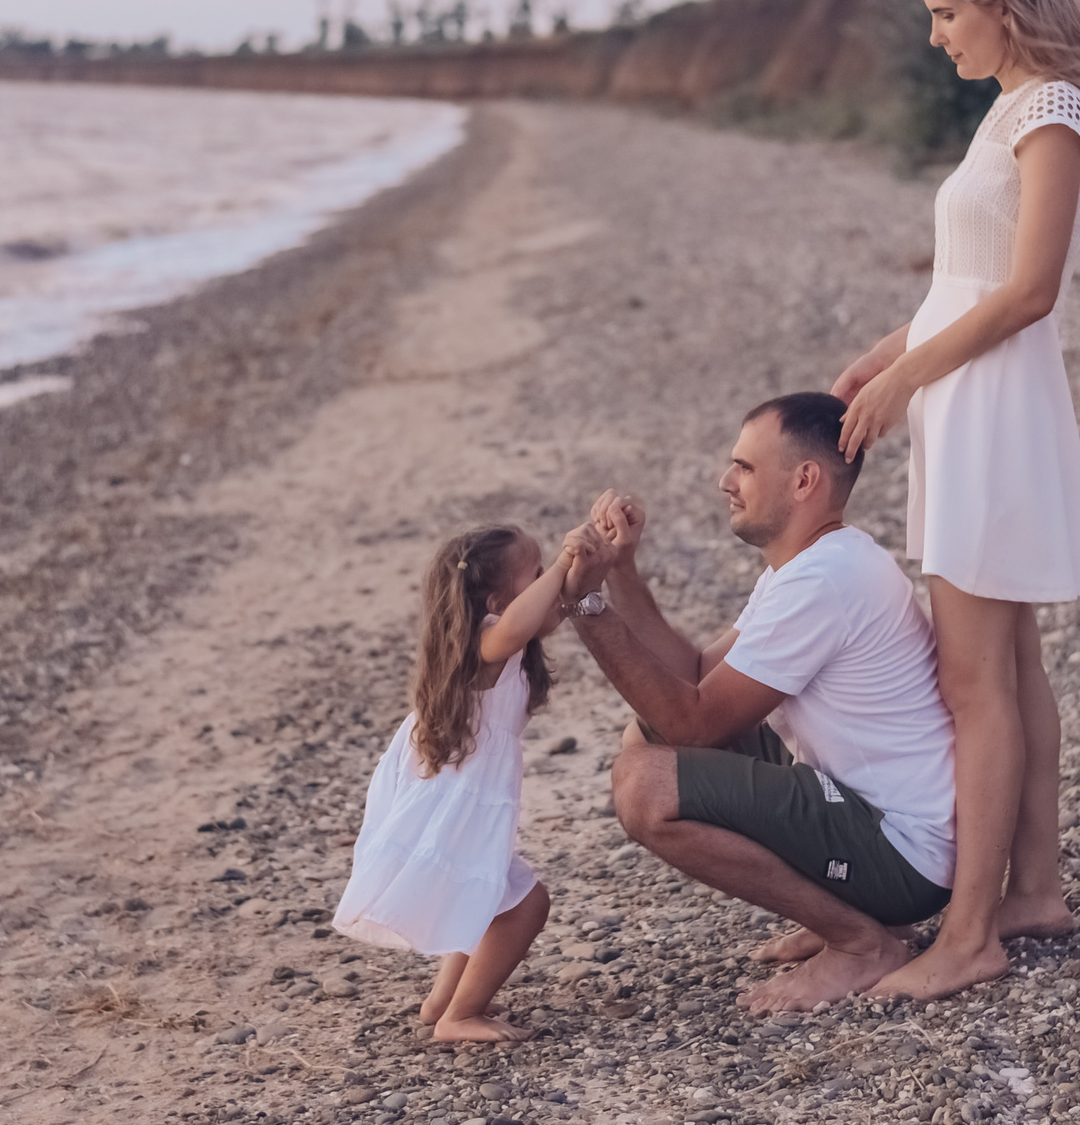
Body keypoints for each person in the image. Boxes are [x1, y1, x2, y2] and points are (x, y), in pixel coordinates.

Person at [831, 0, 1080, 1002]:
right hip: (968, 399)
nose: (936, 36)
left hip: (993, 408)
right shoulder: (1011, 110)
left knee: (974, 677)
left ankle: (969, 933)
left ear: (1000, 1)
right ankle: (1032, 887)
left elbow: (1028, 292)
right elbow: (958, 288)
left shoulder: (1053, 111)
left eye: (944, 12)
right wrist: (877, 358)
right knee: (1008, 663)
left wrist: (906, 379)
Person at [557, 394, 957, 1011]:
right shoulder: (809, 565)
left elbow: (691, 716)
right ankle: (849, 916)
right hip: (876, 812)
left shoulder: (822, 581)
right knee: (650, 739)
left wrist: (586, 609)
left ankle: (860, 943)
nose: (725, 482)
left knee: (646, 786)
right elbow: (694, 677)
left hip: (902, 851)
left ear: (804, 480)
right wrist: (622, 573)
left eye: (743, 467)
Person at [332, 523, 573, 1042]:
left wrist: (594, 556)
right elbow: (522, 624)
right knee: (525, 905)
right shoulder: (489, 640)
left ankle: (443, 1000)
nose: (546, 580)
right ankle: (461, 1014)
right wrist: (561, 567)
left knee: (479, 893)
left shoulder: (509, 632)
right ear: (495, 602)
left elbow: (556, 608)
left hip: (457, 790)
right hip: (453, 797)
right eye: (535, 573)